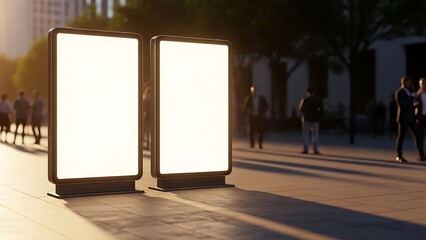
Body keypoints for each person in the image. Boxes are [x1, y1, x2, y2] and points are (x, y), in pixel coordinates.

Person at [395, 76, 426, 163]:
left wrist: (415, 102)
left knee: (418, 134)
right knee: (401, 137)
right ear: (404, 83)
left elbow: (411, 104)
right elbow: (403, 104)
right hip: (403, 118)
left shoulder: (408, 92)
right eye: (408, 82)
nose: (409, 84)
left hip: (411, 118)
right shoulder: (400, 92)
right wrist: (412, 97)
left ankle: (422, 155)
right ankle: (399, 156)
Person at [299, 86, 322, 154]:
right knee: (315, 135)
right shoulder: (317, 100)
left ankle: (306, 149)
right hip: (315, 119)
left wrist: (306, 112)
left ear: (307, 92)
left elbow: (301, 109)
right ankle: (315, 149)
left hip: (307, 119)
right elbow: (321, 109)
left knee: (305, 134)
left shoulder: (305, 100)